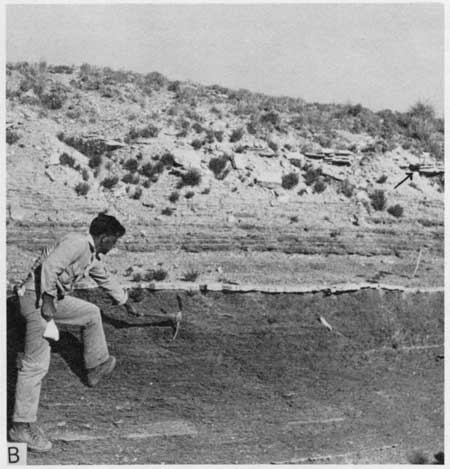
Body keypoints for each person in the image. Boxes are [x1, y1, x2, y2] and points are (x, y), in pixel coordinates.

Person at [8, 213, 148, 452]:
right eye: (114, 241)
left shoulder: (92, 255)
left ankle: (95, 366)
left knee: (91, 313)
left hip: (49, 299)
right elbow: (50, 267)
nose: (114, 246)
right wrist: (49, 299)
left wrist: (125, 302)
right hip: (35, 299)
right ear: (104, 238)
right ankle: (21, 427)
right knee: (36, 365)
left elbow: (105, 278)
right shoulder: (76, 243)